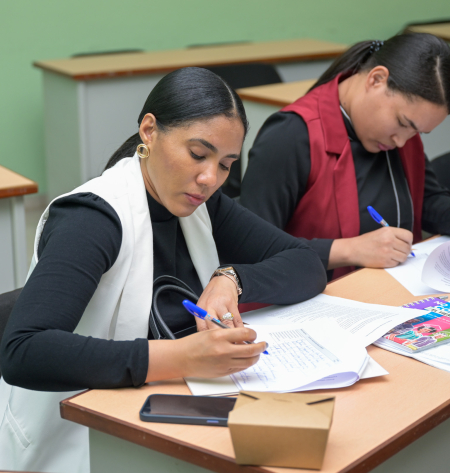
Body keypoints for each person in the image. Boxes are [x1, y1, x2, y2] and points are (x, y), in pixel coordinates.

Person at [0, 67, 327, 473]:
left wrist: (232, 279)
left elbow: (306, 263)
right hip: (81, 431)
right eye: (197, 154)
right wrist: (180, 357)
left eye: (226, 164)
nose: (210, 178)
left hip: (171, 406)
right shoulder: (91, 219)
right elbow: (23, 352)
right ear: (150, 131)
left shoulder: (202, 202)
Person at [241, 33, 450, 280]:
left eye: (417, 133)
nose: (402, 141)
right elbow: (251, 247)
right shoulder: (290, 136)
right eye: (403, 124)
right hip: (311, 304)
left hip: (389, 293)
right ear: (376, 80)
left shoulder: (400, 135)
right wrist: (349, 250)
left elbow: (425, 200)